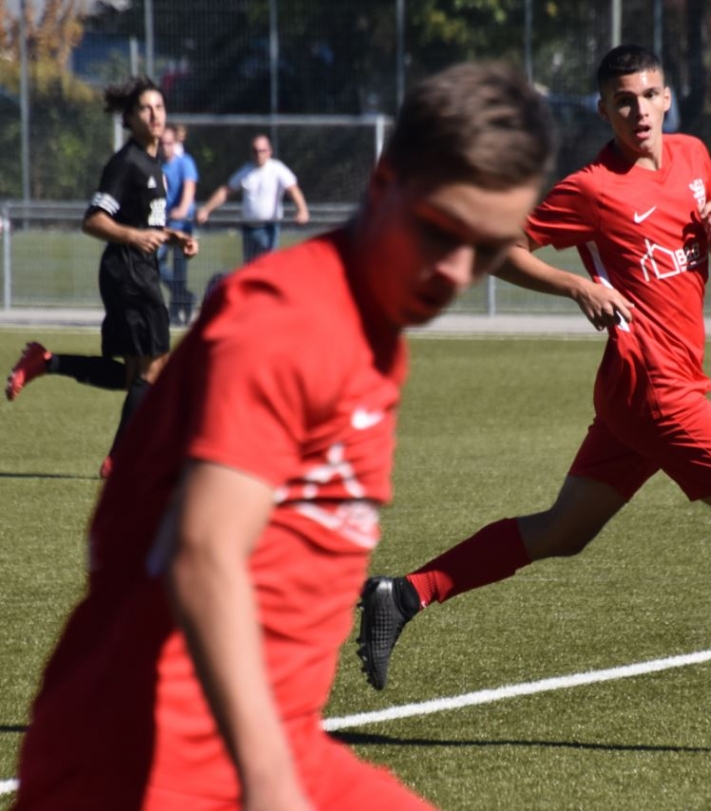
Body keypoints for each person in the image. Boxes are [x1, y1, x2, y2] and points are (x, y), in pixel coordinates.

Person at [13, 61, 555, 810]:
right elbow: (202, 554)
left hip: (271, 743)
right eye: (442, 229)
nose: (455, 270)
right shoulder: (291, 318)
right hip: (152, 761)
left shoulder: (372, 329)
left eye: (487, 247)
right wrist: (271, 785)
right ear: (385, 182)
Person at [357, 45, 711, 732]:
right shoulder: (592, 188)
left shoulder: (694, 156)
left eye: (648, 95)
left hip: (637, 391)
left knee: (563, 531)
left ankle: (402, 594)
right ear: (603, 109)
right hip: (655, 390)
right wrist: (576, 285)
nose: (638, 110)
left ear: (666, 98)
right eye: (623, 100)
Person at [5, 76, 197, 478]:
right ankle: (119, 460)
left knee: (134, 375)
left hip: (137, 271)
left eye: (159, 107)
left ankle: (46, 361)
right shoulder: (126, 163)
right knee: (153, 368)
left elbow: (142, 222)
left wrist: (171, 236)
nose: (155, 115)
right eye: (145, 108)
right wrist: (135, 237)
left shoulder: (156, 167)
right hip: (128, 272)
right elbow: (93, 220)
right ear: (129, 118)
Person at [195, 133, 310, 264]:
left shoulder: (277, 169)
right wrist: (206, 209)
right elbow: (226, 191)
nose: (259, 154)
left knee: (268, 266)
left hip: (269, 228)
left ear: (269, 151)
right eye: (255, 151)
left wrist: (302, 210)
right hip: (249, 229)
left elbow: (293, 189)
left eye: (262, 151)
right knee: (250, 268)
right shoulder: (246, 170)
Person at [158, 123, 198, 325]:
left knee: (180, 270)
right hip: (164, 223)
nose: (165, 147)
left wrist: (182, 210)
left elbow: (189, 188)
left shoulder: (185, 162)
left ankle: (176, 312)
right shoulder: (156, 165)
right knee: (155, 262)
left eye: (169, 143)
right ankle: (185, 296)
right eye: (162, 143)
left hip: (183, 224)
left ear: (175, 143)